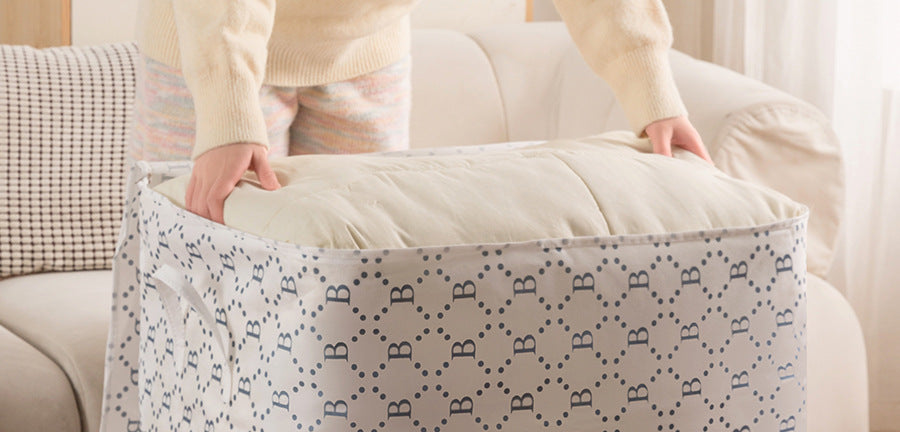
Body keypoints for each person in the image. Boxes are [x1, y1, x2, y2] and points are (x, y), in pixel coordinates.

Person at [132, 0, 712, 224]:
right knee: (200, 294)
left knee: (357, 300)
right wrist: (229, 105)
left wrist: (649, 87)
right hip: (212, 54)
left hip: (369, 57)